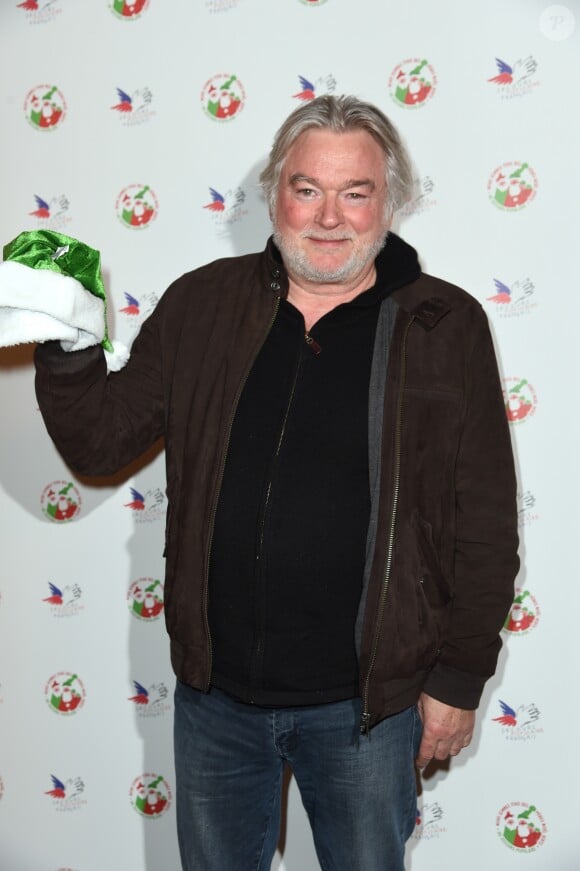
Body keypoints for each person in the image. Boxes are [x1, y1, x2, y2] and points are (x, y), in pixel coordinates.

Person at [34, 95, 519, 870]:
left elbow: (485, 521)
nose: (330, 217)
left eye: (355, 192)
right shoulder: (203, 303)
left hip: (367, 708)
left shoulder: (445, 324)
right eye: (307, 189)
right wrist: (66, 339)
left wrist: (459, 678)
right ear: (275, 194)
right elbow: (100, 440)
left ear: (388, 201)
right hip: (215, 700)